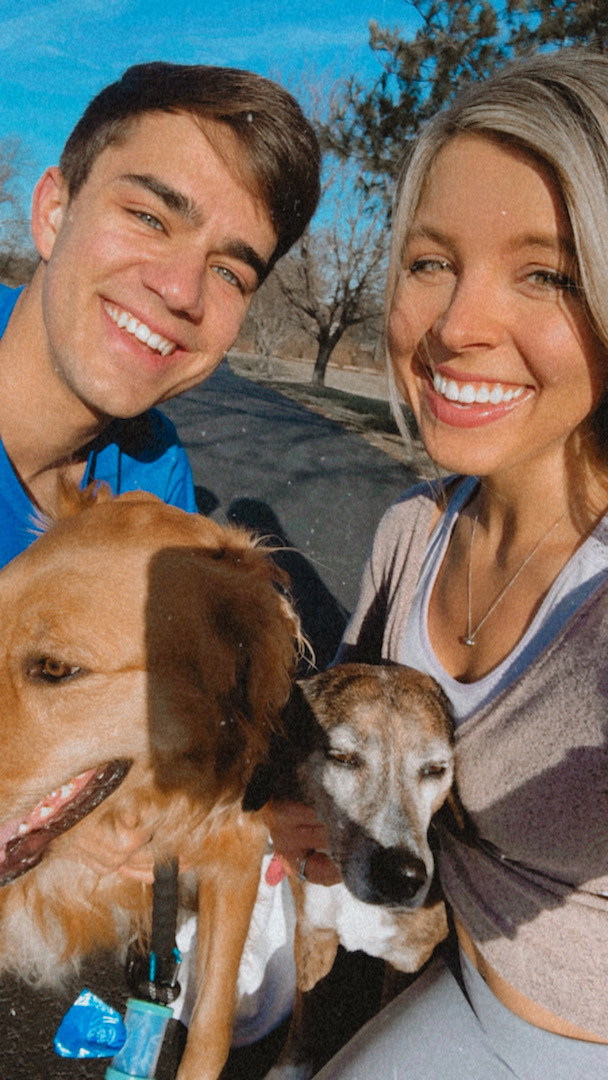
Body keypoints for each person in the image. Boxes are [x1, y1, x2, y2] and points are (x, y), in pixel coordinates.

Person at [272, 48, 608, 1079]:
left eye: (544, 272)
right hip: (424, 958)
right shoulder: (410, 529)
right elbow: (345, 727)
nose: (456, 327)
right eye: (428, 262)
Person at [0, 60, 320, 567]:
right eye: (150, 218)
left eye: (229, 273)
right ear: (53, 214)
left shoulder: (157, 474)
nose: (180, 292)